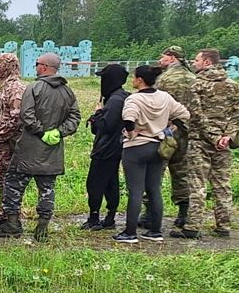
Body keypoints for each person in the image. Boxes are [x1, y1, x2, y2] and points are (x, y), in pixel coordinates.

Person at [0, 53, 81, 241]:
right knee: (47, 189)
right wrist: (59, 132)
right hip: (52, 152)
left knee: (13, 184)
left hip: (28, 149)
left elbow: (26, 115)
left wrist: (40, 132)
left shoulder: (34, 88)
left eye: (37, 63)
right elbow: (75, 117)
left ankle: (13, 224)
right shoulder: (67, 92)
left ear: (45, 67)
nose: (35, 66)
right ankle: (42, 228)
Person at [115, 65, 189, 243]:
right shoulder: (164, 96)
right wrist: (170, 126)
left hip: (136, 148)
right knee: (154, 189)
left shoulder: (134, 99)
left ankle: (130, 232)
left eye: (134, 78)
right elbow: (184, 114)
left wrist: (132, 133)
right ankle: (155, 231)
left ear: (139, 80)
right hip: (157, 146)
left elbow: (128, 120)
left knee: (135, 191)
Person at [180, 48, 238, 239]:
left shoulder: (197, 85)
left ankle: (193, 226)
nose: (194, 63)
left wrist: (213, 137)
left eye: (197, 60)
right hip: (224, 143)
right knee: (222, 184)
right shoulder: (233, 85)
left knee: (197, 184)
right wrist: (227, 137)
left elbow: (196, 115)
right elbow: (237, 115)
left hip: (200, 142)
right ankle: (224, 225)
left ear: (207, 62)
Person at [81, 64, 129, 231]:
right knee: (110, 182)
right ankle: (110, 216)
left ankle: (95, 218)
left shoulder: (115, 101)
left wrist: (97, 114)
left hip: (106, 148)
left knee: (95, 183)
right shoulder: (121, 97)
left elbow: (106, 126)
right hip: (116, 147)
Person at [154, 46, 197, 229]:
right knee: (182, 172)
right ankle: (183, 213)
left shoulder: (164, 79)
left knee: (156, 171)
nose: (160, 59)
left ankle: (150, 213)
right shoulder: (194, 78)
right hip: (187, 131)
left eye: (162, 56)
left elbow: (155, 102)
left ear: (171, 58)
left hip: (167, 130)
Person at [0, 53, 26, 229]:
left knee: (10, 179)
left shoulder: (15, 88)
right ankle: (4, 213)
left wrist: (0, 134)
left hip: (11, 144)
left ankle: (12, 217)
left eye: (0, 64)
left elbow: (17, 119)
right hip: (4, 143)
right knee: (2, 178)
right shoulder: (5, 86)